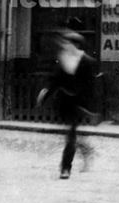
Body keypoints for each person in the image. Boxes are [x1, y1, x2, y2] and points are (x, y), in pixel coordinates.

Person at [36, 27, 99, 179]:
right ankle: (85, 150)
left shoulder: (87, 62)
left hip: (78, 103)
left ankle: (65, 168)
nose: (64, 45)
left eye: (67, 43)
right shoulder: (62, 59)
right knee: (71, 134)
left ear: (75, 45)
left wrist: (90, 106)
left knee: (70, 135)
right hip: (63, 102)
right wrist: (44, 95)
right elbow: (54, 81)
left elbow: (91, 86)